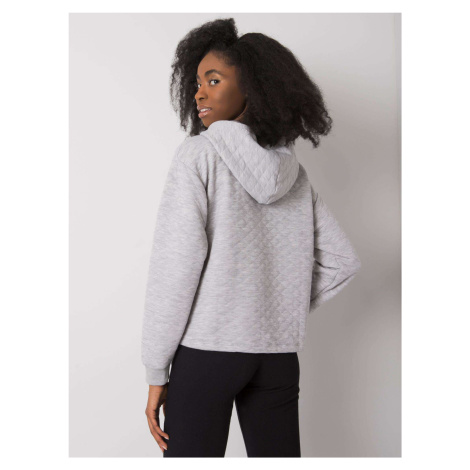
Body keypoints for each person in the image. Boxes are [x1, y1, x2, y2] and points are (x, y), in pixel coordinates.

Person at [141, 18, 362, 458]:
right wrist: (273, 307)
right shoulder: (294, 173)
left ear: (252, 88)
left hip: (208, 352)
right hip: (276, 357)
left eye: (214, 80)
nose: (198, 93)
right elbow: (342, 261)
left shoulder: (198, 155)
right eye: (197, 83)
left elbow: (176, 269)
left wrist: (155, 371)